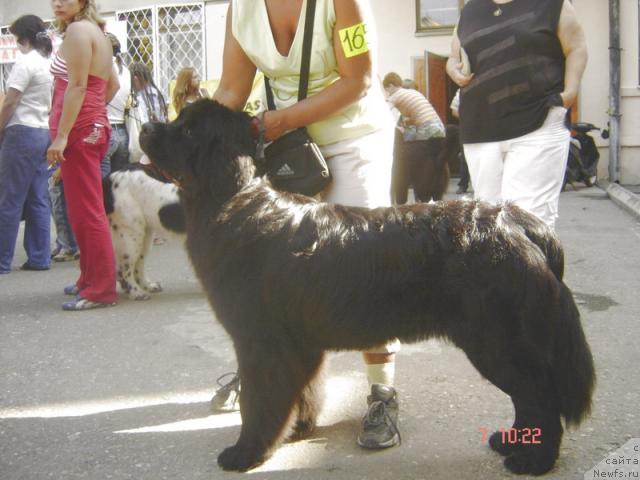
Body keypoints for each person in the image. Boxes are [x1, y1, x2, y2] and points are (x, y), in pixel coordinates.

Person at [211, 0, 401, 449]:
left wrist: (281, 120)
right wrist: (192, 133)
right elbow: (231, 92)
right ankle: (297, 395)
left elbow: (359, 81)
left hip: (355, 138)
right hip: (293, 145)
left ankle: (382, 392)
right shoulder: (240, 10)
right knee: (285, 272)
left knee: (365, 266)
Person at [446, 0, 587, 227]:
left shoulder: (551, 4)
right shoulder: (470, 10)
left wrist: (569, 93)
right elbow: (455, 55)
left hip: (537, 121)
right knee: (488, 222)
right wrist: (452, 67)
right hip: (481, 127)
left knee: (528, 222)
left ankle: (535, 263)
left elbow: (576, 47)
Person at [47, 0, 120, 310]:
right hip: (89, 126)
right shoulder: (96, 32)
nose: (57, 2)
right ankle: (89, 279)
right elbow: (112, 85)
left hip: (80, 131)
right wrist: (93, 112)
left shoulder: (78, 31)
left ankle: (101, 288)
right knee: (80, 209)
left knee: (87, 210)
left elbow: (76, 86)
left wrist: (62, 135)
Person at [0, 15, 53, 274]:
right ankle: (40, 257)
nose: (15, 42)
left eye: (16, 37)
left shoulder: (25, 63)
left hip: (21, 132)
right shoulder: (48, 63)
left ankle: (2, 261)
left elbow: (10, 102)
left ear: (24, 37)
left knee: (9, 199)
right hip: (43, 132)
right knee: (38, 198)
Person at [382, 72, 444, 142]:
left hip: (426, 128)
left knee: (420, 151)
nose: (388, 93)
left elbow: (383, 112)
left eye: (386, 90)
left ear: (391, 86)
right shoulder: (412, 92)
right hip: (438, 125)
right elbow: (417, 117)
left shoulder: (395, 95)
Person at [103, 32, 131, 174]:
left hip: (106, 130)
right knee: (117, 187)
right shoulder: (126, 71)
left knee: (103, 185)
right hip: (122, 132)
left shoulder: (103, 67)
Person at [449, 89, 471, 195]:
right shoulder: (460, 91)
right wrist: (467, 118)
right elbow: (454, 110)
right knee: (464, 155)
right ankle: (463, 184)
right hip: (466, 126)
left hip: (484, 125)